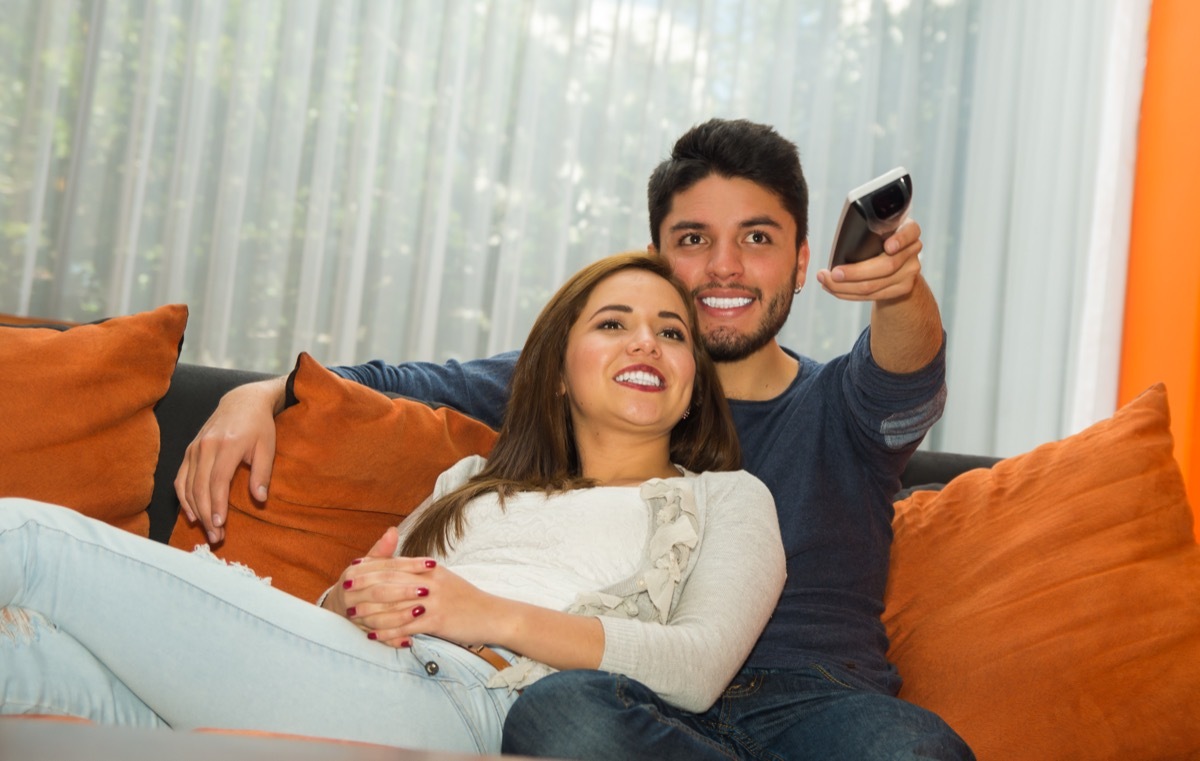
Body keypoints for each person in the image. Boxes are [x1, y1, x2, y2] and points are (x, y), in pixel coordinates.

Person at [176, 119, 973, 759]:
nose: (724, 267)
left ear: (804, 261)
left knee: (911, 746)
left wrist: (899, 288)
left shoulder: (842, 403)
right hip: (630, 700)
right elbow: (394, 382)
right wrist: (263, 391)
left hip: (815, 702)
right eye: (693, 240)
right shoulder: (593, 374)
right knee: (559, 718)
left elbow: (909, 363)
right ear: (658, 257)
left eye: (757, 239)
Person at [0, 253, 785, 756]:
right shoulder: (472, 480)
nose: (646, 342)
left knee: (28, 538)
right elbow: (343, 616)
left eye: (672, 333)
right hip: (361, 674)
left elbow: (697, 667)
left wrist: (482, 611)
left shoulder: (725, 498)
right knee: (19, 663)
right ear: (555, 371)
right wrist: (347, 595)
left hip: (466, 698)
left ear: (691, 387)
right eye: (613, 323)